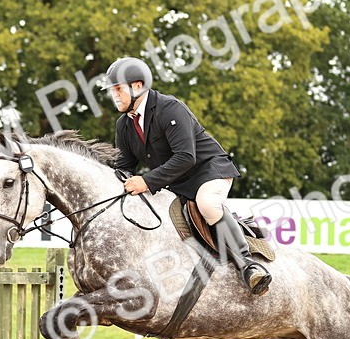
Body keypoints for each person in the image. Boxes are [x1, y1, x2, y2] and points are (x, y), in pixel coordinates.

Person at [103, 56, 271, 295]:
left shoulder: (169, 108)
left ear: (137, 86)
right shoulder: (124, 125)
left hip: (209, 170)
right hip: (176, 182)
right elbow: (124, 167)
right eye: (112, 91)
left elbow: (185, 157)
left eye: (118, 89)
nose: (114, 95)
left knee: (207, 203)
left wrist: (146, 181)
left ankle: (248, 265)